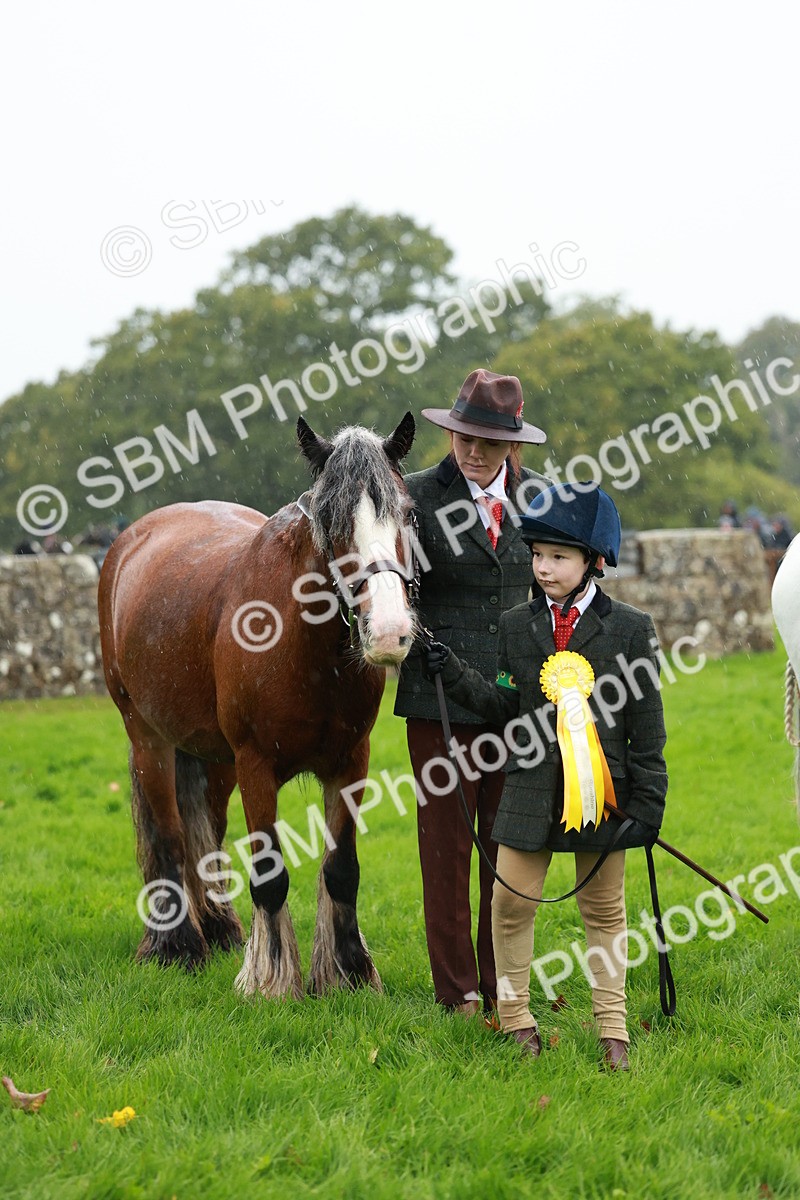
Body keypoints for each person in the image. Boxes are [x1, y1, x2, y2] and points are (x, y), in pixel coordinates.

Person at [425, 483, 668, 1070]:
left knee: (605, 912)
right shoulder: (516, 626)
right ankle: (515, 1019)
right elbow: (507, 706)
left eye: (558, 557)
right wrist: (454, 674)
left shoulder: (631, 629)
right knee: (509, 905)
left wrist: (647, 804)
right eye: (536, 555)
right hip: (529, 790)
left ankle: (613, 1030)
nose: (543, 567)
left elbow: (648, 729)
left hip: (603, 795)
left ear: (594, 561)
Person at [394, 368, 550, 1020]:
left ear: (513, 445)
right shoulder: (414, 497)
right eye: (463, 436)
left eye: (486, 440)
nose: (471, 450)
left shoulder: (542, 502)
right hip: (440, 700)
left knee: (506, 853)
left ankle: (504, 989)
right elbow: (395, 595)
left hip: (515, 704)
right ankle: (456, 993)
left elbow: (548, 598)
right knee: (447, 851)